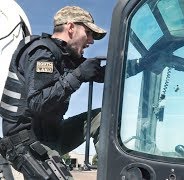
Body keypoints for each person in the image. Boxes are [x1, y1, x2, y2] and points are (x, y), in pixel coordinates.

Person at [0, 6, 106, 179]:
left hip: (51, 133)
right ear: (71, 28)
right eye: (88, 33)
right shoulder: (42, 52)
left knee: (102, 118)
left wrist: (142, 64)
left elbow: (104, 73)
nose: (91, 41)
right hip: (26, 141)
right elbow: (37, 104)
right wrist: (78, 76)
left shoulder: (66, 56)